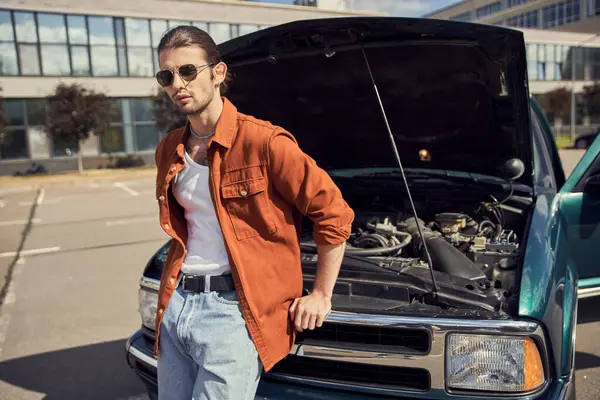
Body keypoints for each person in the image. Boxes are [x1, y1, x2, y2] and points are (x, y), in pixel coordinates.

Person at [153, 25, 355, 400]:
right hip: (176, 306)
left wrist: (321, 294)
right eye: (166, 75)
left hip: (231, 314)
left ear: (218, 73)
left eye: (187, 71)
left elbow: (334, 213)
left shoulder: (265, 142)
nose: (177, 84)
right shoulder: (169, 148)